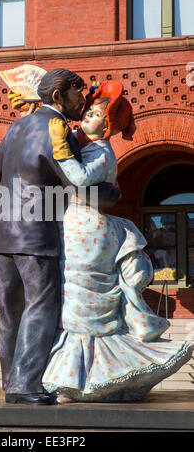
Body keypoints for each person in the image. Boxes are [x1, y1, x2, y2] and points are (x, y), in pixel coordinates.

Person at [41, 81, 194, 403]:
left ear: (108, 126)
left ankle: (76, 381)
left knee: (80, 300)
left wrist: (61, 153)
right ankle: (79, 379)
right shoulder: (87, 145)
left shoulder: (102, 151)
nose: (88, 117)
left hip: (86, 226)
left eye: (96, 115)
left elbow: (80, 179)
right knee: (74, 299)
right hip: (77, 222)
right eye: (89, 111)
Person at [0, 69, 120, 405]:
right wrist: (109, 191)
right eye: (79, 94)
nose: (84, 100)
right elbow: (75, 183)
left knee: (10, 310)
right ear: (58, 96)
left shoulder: (18, 124)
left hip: (1, 227)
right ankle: (24, 386)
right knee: (41, 305)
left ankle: (11, 383)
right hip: (34, 230)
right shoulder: (56, 126)